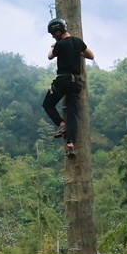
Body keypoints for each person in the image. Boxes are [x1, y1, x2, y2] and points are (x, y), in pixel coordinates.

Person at [43, 18, 95, 157]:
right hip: (76, 83)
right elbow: (91, 55)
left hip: (63, 80)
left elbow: (49, 57)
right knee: (72, 113)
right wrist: (77, 52)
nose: (53, 36)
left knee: (47, 104)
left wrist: (54, 46)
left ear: (59, 31)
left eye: (53, 33)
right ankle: (70, 144)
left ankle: (61, 123)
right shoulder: (78, 42)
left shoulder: (59, 44)